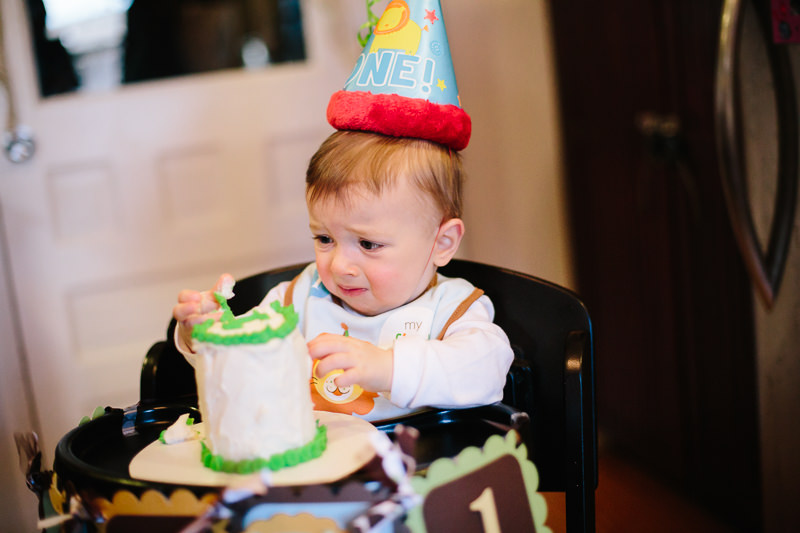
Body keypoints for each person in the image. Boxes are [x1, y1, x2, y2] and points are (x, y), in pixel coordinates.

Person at [173, 130, 514, 421]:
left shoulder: (452, 308)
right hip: (311, 472)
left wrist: (388, 367)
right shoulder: (300, 298)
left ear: (442, 243)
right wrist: (207, 334)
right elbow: (241, 367)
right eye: (325, 239)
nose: (338, 266)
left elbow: (488, 372)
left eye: (368, 244)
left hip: (417, 474)